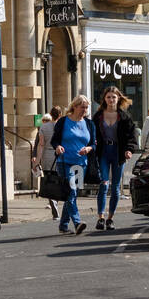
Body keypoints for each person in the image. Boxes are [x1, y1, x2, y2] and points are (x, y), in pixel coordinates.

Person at [92, 86, 138, 231]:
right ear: (104, 99)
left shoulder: (124, 117)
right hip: (103, 151)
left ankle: (110, 218)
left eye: (114, 97)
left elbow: (132, 136)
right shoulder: (98, 116)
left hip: (118, 152)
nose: (111, 100)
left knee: (116, 187)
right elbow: (91, 134)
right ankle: (100, 217)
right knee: (104, 184)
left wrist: (129, 150)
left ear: (118, 99)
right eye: (108, 97)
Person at [51, 96, 93, 235]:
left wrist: (88, 149)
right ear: (74, 106)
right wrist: (57, 147)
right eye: (82, 107)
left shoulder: (88, 123)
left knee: (72, 195)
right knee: (71, 191)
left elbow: (93, 143)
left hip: (82, 163)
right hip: (65, 161)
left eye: (86, 107)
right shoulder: (63, 121)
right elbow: (54, 140)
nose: (84, 110)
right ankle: (77, 222)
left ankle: (63, 225)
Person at [31, 113, 59, 219]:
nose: (45, 123)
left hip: (49, 157)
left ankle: (53, 201)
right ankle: (53, 201)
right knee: (51, 180)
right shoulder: (44, 130)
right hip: (52, 157)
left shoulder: (51, 130)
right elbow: (37, 144)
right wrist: (35, 156)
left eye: (47, 121)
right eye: (44, 121)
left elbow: (39, 144)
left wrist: (36, 158)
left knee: (50, 180)